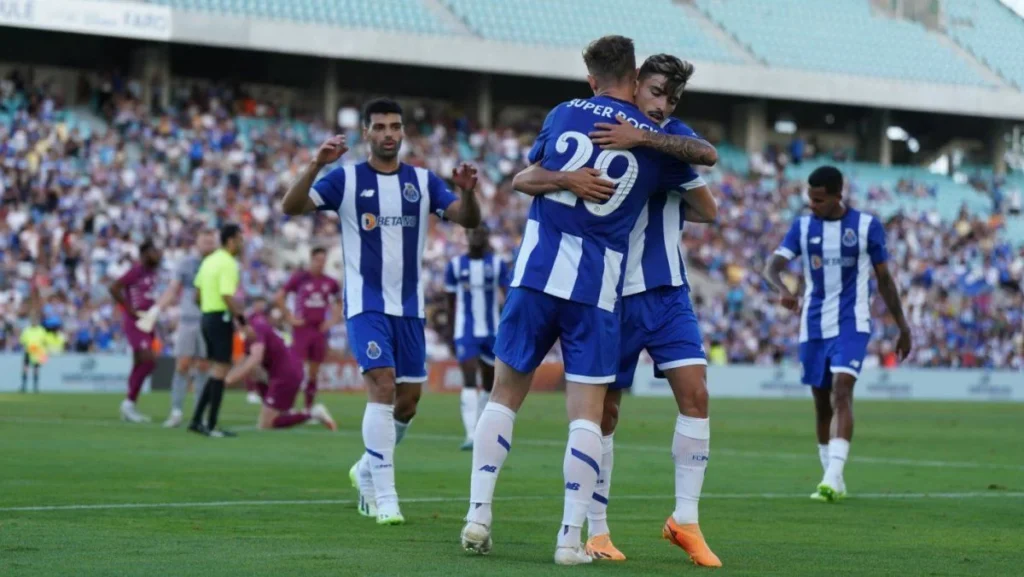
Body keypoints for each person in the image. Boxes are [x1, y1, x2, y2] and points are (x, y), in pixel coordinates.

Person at [460, 35, 717, 566]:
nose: (662, 104)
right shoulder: (652, 142)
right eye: (655, 90)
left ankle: (479, 515)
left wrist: (578, 170)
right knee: (590, 414)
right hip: (600, 288)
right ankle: (574, 537)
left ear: (592, 75)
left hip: (540, 272)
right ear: (633, 76)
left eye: (671, 97)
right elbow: (707, 172)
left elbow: (522, 178)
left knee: (504, 396)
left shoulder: (567, 113)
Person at [281, 98, 482, 525]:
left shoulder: (423, 183)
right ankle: (384, 497)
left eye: (395, 126)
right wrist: (316, 164)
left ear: (403, 132)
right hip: (366, 304)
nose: (388, 133)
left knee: (407, 404)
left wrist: (467, 191)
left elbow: (466, 219)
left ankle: (366, 468)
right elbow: (291, 206)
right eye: (380, 127)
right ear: (367, 134)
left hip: (409, 309)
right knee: (383, 385)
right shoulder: (346, 180)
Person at [763, 165, 912, 502]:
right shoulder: (802, 228)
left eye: (818, 200)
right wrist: (782, 289)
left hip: (852, 321)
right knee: (821, 403)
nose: (812, 205)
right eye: (809, 199)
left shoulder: (865, 226)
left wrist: (903, 327)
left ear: (836, 196)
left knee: (842, 390)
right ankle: (833, 477)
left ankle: (831, 476)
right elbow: (771, 266)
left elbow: (885, 280)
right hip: (813, 324)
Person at [444, 225, 510, 450]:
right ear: (466, 236)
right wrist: (450, 332)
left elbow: (508, 296)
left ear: (486, 236)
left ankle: (481, 428)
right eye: (472, 232)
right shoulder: (455, 266)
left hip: (492, 331)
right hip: (466, 331)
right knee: (469, 379)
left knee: (490, 383)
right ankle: (470, 434)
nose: (476, 237)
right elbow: (450, 302)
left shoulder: (497, 264)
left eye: (480, 233)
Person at [224, 307, 338, 431]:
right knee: (254, 372)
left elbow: (255, 358)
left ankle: (313, 414)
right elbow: (243, 361)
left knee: (266, 425)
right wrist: (227, 377)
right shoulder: (251, 335)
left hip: (286, 375)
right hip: (284, 372)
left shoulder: (258, 328)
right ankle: (272, 406)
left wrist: (229, 380)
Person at [190, 223, 245, 438]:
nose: (242, 243)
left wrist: (208, 311)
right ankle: (211, 425)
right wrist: (243, 321)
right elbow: (226, 295)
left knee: (217, 371)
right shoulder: (229, 263)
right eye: (239, 239)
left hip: (206, 317)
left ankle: (197, 420)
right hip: (220, 318)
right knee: (220, 371)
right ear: (231, 240)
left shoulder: (209, 260)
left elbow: (196, 295)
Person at [160, 228, 217, 428]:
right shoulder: (186, 264)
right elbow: (173, 289)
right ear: (197, 243)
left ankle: (198, 413)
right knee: (182, 364)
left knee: (204, 366)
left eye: (211, 242)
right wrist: (158, 308)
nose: (208, 245)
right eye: (205, 241)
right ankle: (176, 411)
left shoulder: (218, 264)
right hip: (188, 320)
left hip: (210, 319)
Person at [275, 246, 342, 410]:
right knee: (295, 369)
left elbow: (339, 301)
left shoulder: (330, 282)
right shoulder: (300, 278)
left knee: (314, 372)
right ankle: (287, 405)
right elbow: (279, 296)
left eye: (323, 261)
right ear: (311, 260)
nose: (320, 264)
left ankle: (308, 407)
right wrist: (289, 317)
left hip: (319, 330)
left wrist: (333, 320)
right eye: (317, 260)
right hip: (302, 329)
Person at [108, 240, 163, 423]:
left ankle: (129, 405)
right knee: (149, 361)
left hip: (148, 321)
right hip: (136, 321)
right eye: (154, 251)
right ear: (145, 253)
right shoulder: (136, 271)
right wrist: (128, 309)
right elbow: (114, 287)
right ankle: (129, 403)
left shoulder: (153, 274)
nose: (157, 254)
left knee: (140, 362)